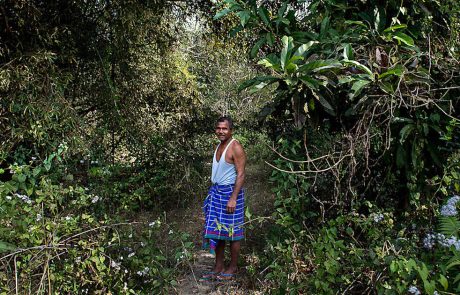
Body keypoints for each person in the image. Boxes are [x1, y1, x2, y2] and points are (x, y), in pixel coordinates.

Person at [201, 116, 246, 281]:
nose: (221, 131)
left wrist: (233, 198)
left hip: (231, 193)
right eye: (218, 128)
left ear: (231, 130)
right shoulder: (220, 145)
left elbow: (241, 174)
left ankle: (232, 267)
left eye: (224, 128)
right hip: (217, 192)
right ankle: (218, 266)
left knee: (233, 232)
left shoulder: (236, 147)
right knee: (218, 231)